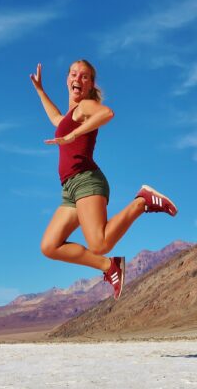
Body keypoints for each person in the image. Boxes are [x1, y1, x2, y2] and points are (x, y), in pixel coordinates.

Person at [30, 59, 177, 299]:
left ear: (90, 85)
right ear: (67, 79)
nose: (78, 79)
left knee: (100, 244)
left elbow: (107, 113)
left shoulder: (86, 106)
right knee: (50, 245)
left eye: (84, 76)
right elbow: (56, 118)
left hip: (86, 180)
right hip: (70, 189)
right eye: (74, 74)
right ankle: (110, 267)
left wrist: (74, 135)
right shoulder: (70, 115)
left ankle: (142, 201)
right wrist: (40, 91)